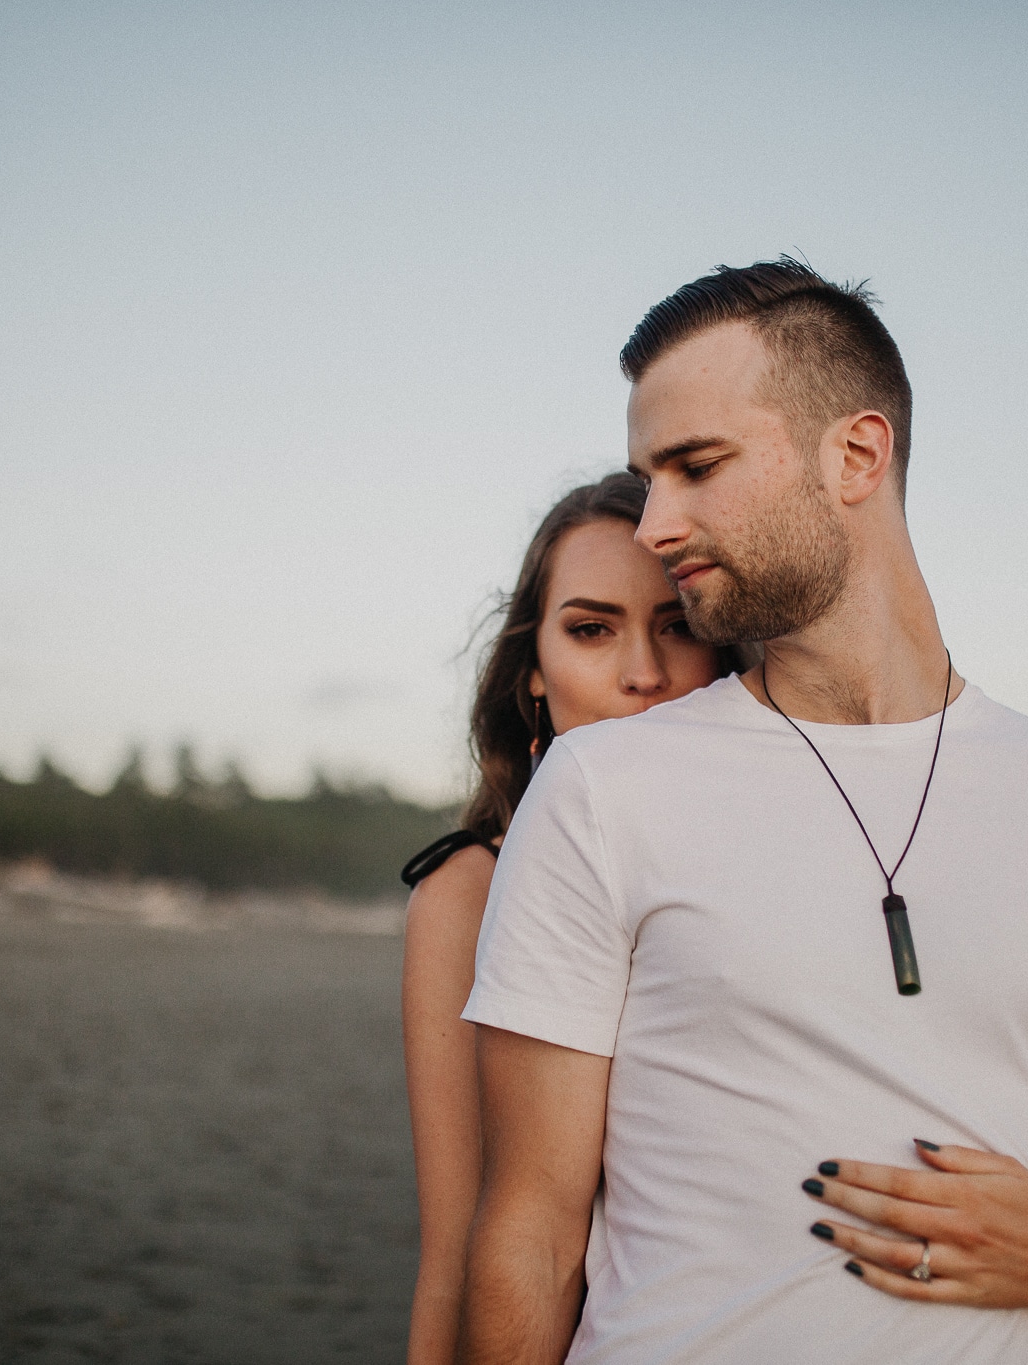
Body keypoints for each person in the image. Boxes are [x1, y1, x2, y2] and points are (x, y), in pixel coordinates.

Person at [459, 260, 1028, 1364]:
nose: (653, 524)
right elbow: (527, 1235)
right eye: (649, 477)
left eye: (694, 467)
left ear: (855, 455)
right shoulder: (600, 792)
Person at [399, 473, 745, 1365]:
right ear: (536, 677)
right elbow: (456, 1251)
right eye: (592, 630)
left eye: (678, 626)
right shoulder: (468, 893)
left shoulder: (786, 859)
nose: (644, 673)